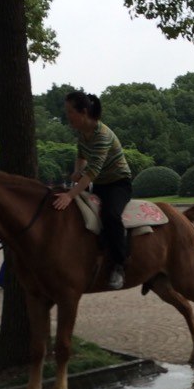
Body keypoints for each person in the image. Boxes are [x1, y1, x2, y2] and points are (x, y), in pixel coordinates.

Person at [53, 91, 133, 290]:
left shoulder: (102, 135)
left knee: (111, 215)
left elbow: (93, 171)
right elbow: (81, 156)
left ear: (84, 112)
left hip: (118, 184)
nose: (68, 116)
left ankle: (119, 265)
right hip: (99, 185)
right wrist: (76, 172)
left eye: (70, 111)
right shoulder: (83, 133)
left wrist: (71, 194)